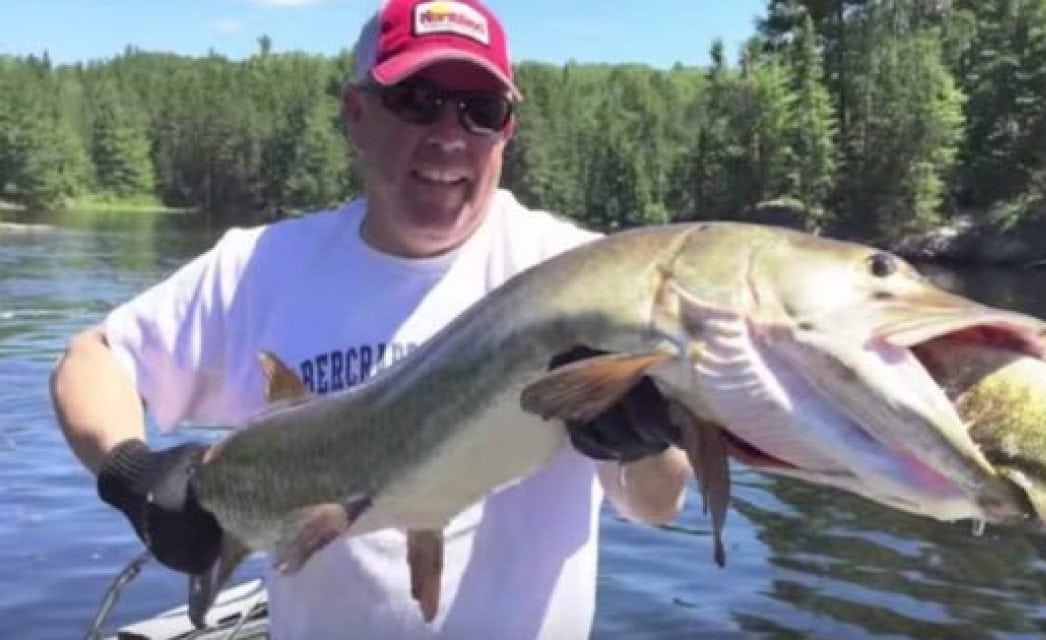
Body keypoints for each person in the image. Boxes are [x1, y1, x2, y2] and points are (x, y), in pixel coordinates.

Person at [48, 1, 692, 638]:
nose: (448, 134)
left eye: (481, 110)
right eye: (417, 99)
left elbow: (656, 505)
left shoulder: (582, 276)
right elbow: (93, 359)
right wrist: (133, 475)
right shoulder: (260, 268)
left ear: (506, 132)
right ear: (356, 114)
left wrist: (645, 442)